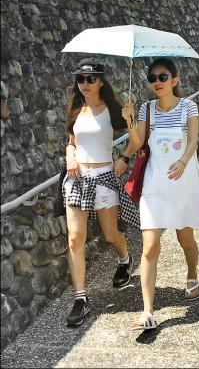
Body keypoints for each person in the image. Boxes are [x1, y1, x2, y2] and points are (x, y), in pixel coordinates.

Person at [122, 58, 199, 331]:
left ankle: (192, 275)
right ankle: (147, 312)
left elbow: (192, 141)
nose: (157, 82)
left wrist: (182, 162)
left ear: (175, 80)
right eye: (152, 78)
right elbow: (137, 143)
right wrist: (130, 122)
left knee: (185, 238)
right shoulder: (146, 109)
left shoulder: (188, 106)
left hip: (183, 182)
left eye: (163, 77)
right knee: (149, 246)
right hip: (155, 184)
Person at [64, 58, 139, 327]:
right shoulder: (75, 108)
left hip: (105, 176)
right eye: (80, 79)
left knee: (110, 235)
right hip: (77, 177)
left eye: (90, 79)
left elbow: (136, 138)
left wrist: (125, 158)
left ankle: (125, 259)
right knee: (75, 239)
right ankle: (81, 298)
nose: (84, 84)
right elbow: (71, 141)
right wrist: (70, 154)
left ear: (101, 81)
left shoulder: (113, 109)